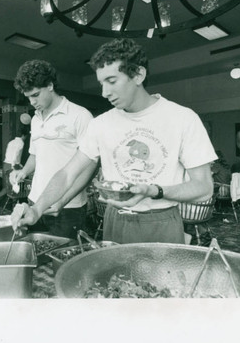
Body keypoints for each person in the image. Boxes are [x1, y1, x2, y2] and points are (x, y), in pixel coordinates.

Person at [11, 39, 216, 245]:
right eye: (101, 83)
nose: (104, 92)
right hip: (115, 218)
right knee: (116, 278)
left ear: (138, 75)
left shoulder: (182, 118)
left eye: (112, 81)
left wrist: (154, 190)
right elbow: (67, 173)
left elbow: (204, 187)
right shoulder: (101, 124)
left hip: (161, 218)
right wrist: (37, 209)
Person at [10, 60, 93, 239]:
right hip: (35, 201)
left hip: (68, 206)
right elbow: (34, 154)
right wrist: (23, 172)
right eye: (28, 97)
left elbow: (91, 165)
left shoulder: (80, 115)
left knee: (63, 261)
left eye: (36, 95)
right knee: (34, 254)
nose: (32, 102)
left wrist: (64, 200)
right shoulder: (35, 119)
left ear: (50, 85)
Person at [0, 127, 30, 205]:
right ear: (24, 135)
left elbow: (8, 155)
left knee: (8, 186)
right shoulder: (21, 143)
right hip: (12, 165)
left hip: (6, 164)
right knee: (15, 185)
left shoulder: (11, 142)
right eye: (26, 136)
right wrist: (15, 166)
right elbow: (16, 156)